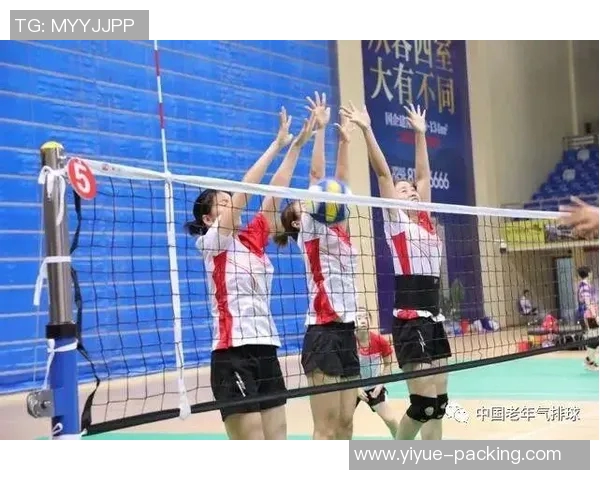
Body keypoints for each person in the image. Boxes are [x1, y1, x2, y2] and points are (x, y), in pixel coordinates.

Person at [185, 108, 316, 439]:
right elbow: (246, 190)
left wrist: (296, 146)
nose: (231, 205)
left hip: (266, 348)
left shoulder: (253, 238)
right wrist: (275, 145)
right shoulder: (213, 243)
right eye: (223, 203)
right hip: (233, 355)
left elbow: (275, 191)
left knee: (278, 442)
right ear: (208, 219)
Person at [342, 101, 451, 440]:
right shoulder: (397, 222)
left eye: (413, 190)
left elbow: (423, 176)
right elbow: (383, 175)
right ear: (394, 200)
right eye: (404, 191)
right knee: (423, 406)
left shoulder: (426, 220)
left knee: (440, 405)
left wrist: (420, 134)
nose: (412, 191)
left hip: (433, 317)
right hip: (410, 318)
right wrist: (366, 129)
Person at [274, 92, 360, 440]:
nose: (307, 199)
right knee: (325, 428)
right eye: (301, 202)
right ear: (297, 221)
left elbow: (339, 184)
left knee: (346, 423)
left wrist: (345, 143)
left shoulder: (339, 227)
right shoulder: (309, 228)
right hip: (322, 333)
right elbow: (317, 176)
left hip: (347, 330)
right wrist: (321, 130)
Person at [354, 308, 399, 438]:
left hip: (374, 387)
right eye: (359, 318)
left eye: (366, 317)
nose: (363, 321)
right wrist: (356, 388)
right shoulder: (348, 343)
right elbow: (344, 369)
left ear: (370, 321)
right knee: (342, 423)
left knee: (391, 420)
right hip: (352, 386)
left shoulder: (380, 341)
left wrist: (379, 386)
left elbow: (388, 365)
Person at [576, 266, 599, 371]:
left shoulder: (586, 285)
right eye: (591, 272)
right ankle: (590, 362)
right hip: (589, 315)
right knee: (594, 338)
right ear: (589, 273)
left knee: (595, 338)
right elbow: (587, 302)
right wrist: (595, 316)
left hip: (590, 314)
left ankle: (589, 360)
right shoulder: (584, 286)